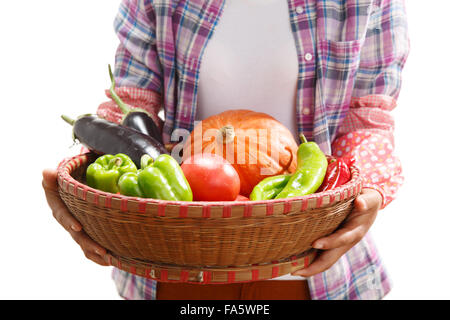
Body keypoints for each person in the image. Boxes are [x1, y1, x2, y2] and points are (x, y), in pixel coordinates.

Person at [42, 0, 409, 300]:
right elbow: (133, 102)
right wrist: (84, 178)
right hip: (178, 256)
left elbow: (367, 119)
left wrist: (368, 193)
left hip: (311, 260)